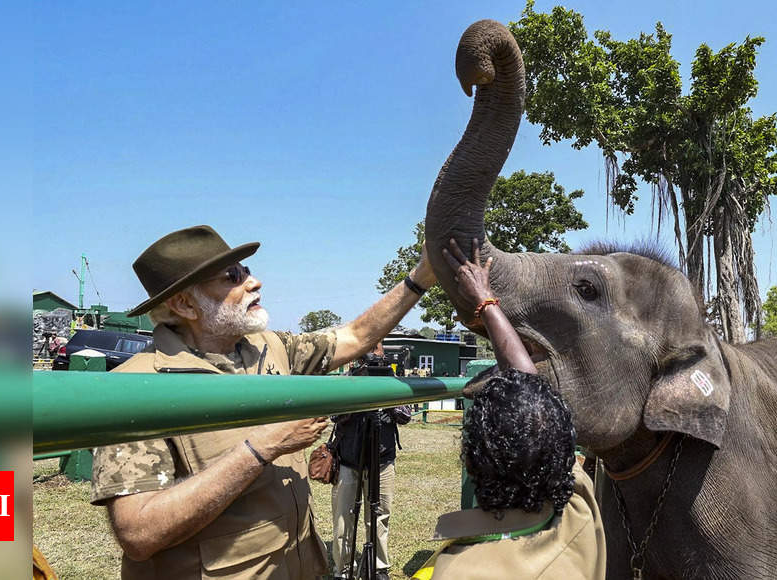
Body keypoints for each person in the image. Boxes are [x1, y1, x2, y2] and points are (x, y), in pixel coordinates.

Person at [88, 225, 436, 580]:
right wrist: (263, 447)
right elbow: (138, 533)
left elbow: (355, 335)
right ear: (184, 304)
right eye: (232, 277)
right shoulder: (138, 387)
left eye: (247, 271)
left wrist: (421, 276)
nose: (254, 282)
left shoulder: (271, 348)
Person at [412, 239, 606, 580]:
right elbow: (527, 382)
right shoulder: (579, 506)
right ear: (563, 455)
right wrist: (486, 303)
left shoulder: (459, 571)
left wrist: (483, 302)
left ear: (472, 461)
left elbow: (527, 384)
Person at [329, 342, 411, 580]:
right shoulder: (347, 379)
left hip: (382, 460)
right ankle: (343, 570)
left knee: (379, 516)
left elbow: (405, 416)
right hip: (349, 459)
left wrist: (386, 393)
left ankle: (379, 567)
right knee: (344, 518)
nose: (373, 355)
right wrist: (358, 393)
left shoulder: (392, 380)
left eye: (377, 348)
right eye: (368, 349)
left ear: (383, 352)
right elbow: (334, 415)